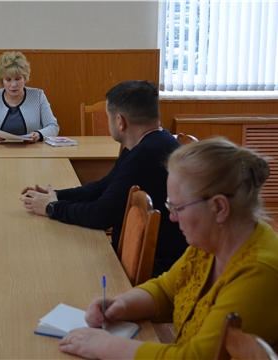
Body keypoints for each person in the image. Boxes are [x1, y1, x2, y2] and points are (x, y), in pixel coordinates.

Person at [58, 137, 278, 359]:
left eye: (178, 207)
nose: (172, 217)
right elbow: (166, 289)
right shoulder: (212, 241)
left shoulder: (259, 272)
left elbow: (194, 357)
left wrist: (106, 347)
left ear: (219, 208)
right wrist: (123, 304)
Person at [20, 80, 187, 275]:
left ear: (120, 121)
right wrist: (56, 196)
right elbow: (103, 186)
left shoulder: (148, 154)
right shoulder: (148, 142)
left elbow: (100, 215)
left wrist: (52, 208)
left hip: (158, 268)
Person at [0, 51, 59, 144]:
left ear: (25, 78)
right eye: (8, 80)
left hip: (31, 152)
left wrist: (39, 134)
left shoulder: (38, 96)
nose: (13, 85)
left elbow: (53, 126)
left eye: (18, 79)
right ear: (1, 80)